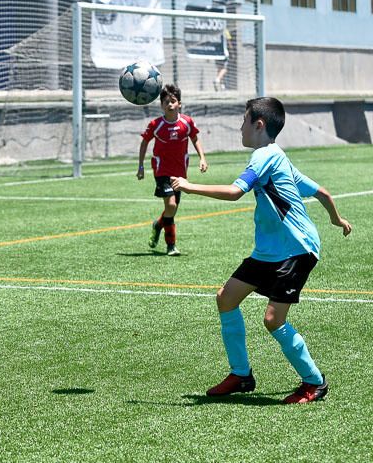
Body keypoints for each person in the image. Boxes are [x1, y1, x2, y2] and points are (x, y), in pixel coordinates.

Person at [171, 97, 352, 404]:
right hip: (270, 251)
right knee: (226, 299)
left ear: (259, 125)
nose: (240, 127)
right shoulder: (278, 157)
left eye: (244, 121)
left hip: (296, 249)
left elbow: (234, 192)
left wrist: (189, 186)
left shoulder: (265, 156)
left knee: (273, 319)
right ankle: (241, 375)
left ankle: (314, 381)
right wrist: (337, 219)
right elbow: (322, 192)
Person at [137, 84, 208, 256]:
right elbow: (145, 142)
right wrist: (140, 166)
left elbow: (195, 139)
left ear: (180, 104)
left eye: (173, 101)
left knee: (172, 209)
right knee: (171, 205)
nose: (170, 104)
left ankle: (158, 225)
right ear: (161, 105)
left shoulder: (187, 122)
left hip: (180, 172)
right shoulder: (155, 124)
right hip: (161, 170)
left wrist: (202, 158)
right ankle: (171, 246)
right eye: (166, 102)